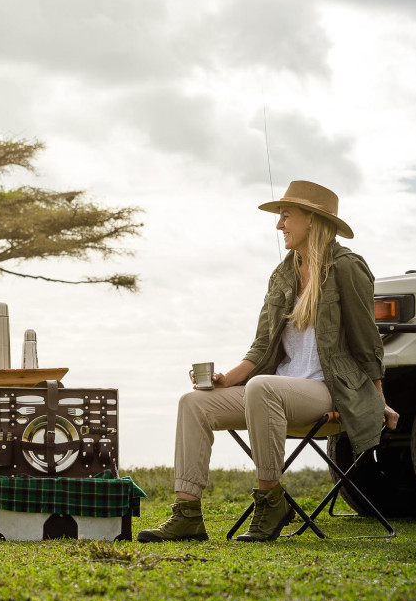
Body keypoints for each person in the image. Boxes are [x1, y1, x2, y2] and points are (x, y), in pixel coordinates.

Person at [139, 181, 397, 543]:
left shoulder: (347, 267)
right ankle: (187, 515)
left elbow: (368, 341)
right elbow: (262, 346)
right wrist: (228, 379)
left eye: (286, 217)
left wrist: (378, 399)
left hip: (328, 391)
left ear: (312, 219)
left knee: (262, 387)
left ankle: (271, 501)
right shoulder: (283, 274)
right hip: (275, 392)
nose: (280, 226)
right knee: (193, 402)